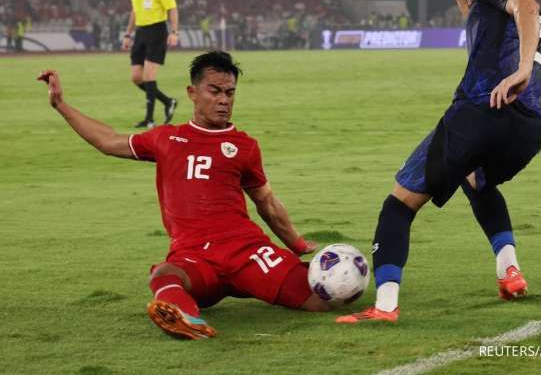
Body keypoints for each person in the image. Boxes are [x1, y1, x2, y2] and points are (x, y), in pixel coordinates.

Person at [37, 51, 331, 340]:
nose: (223, 100)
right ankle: (186, 319)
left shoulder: (244, 146)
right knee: (164, 274)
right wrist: (60, 104)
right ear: (192, 92)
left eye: (230, 93)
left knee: (320, 301)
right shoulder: (166, 138)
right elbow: (109, 141)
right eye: (214, 91)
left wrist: (296, 242)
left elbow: (265, 201)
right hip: (194, 256)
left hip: (246, 251)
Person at [337, 0, 541, 324]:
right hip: (528, 129)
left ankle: (384, 307)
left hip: (480, 114)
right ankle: (509, 271)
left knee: (397, 206)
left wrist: (519, 70)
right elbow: (476, 13)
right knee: (476, 181)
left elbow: (527, 5)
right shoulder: (488, 10)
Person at [121, 0, 178, 129]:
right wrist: (128, 34)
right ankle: (168, 102)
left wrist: (174, 32)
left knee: (149, 75)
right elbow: (135, 11)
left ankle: (150, 119)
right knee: (137, 77)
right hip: (141, 32)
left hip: (157, 31)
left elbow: (172, 8)